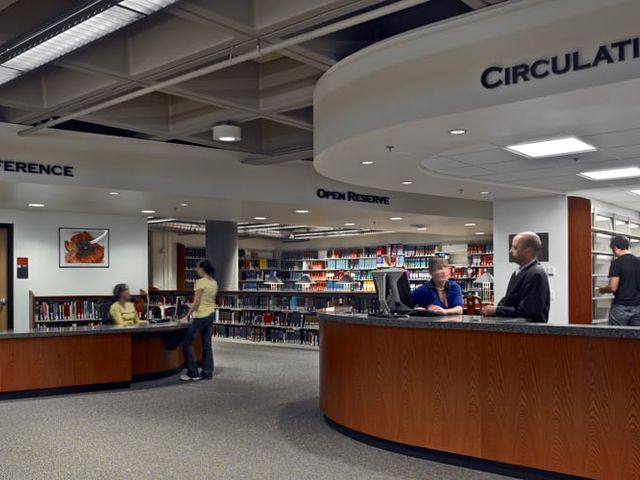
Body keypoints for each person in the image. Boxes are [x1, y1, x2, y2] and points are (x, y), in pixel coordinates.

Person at [481, 232, 550, 323]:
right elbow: (508, 299)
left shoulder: (536, 274)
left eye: (515, 248)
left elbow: (528, 311)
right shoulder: (518, 272)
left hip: (529, 333)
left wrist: (497, 310)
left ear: (528, 251)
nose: (510, 251)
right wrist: (493, 309)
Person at [179, 259, 218, 381]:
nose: (196, 270)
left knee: (187, 342)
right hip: (211, 314)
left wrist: (186, 316)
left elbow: (197, 303)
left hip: (201, 315)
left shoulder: (200, 282)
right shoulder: (213, 282)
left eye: (197, 268)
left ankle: (193, 373)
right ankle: (207, 372)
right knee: (207, 344)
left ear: (202, 269)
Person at [599, 235, 640, 326]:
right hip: (638, 307)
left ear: (615, 247)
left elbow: (613, 287)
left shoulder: (617, 263)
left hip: (621, 307)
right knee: (635, 338)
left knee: (616, 338)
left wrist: (602, 289)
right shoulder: (638, 261)